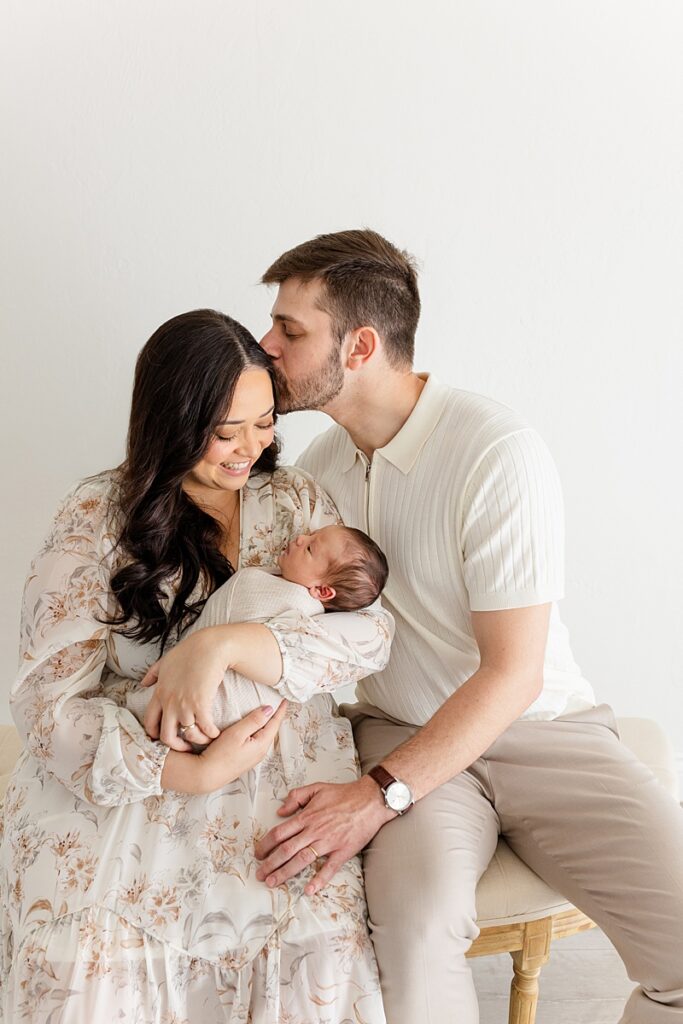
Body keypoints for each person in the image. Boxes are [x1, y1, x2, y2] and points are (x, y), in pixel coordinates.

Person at [254, 229, 683, 1024]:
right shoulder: (317, 475)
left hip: (542, 730)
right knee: (415, 942)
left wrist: (374, 798)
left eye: (289, 328)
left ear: (359, 347)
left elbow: (513, 674)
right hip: (401, 730)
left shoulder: (494, 450)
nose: (266, 345)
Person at [0, 309, 390, 1023]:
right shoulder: (96, 515)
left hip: (276, 773)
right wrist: (193, 774)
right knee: (87, 963)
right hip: (135, 770)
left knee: (315, 954)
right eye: (226, 431)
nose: (251, 448)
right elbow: (46, 703)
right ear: (172, 422)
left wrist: (221, 646)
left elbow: (368, 635)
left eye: (265, 423)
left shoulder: (295, 502)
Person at [126, 524, 389, 735]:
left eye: (310, 548)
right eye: (311, 534)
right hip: (200, 697)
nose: (300, 538)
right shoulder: (286, 579)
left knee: (162, 711)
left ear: (322, 591)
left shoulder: (299, 609)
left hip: (229, 709)